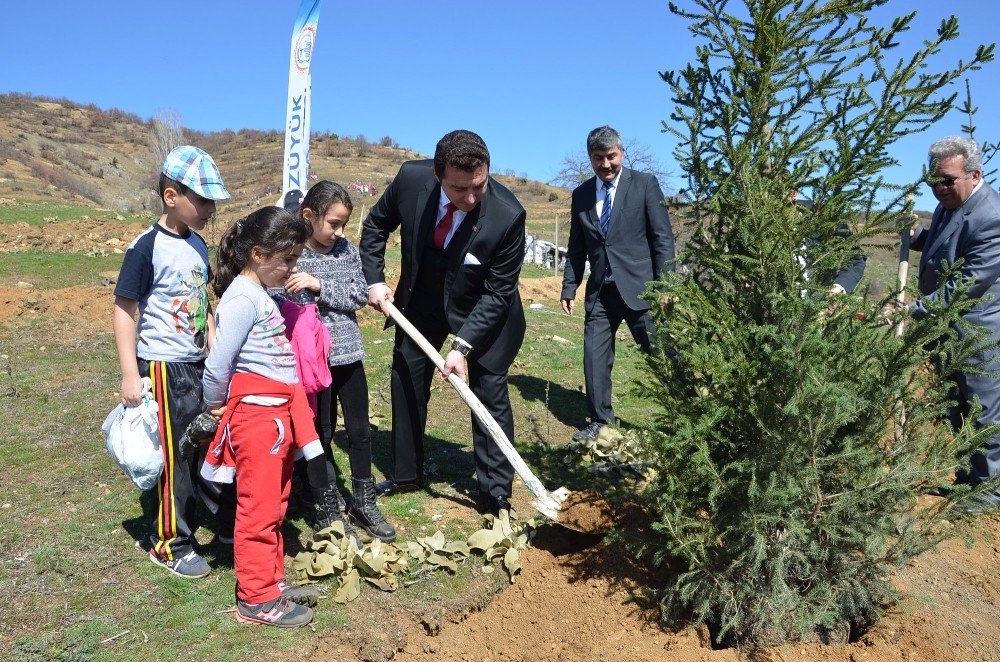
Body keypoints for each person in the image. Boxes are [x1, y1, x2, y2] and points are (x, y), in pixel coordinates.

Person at [360, 130, 526, 516]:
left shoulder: (508, 215)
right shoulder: (409, 180)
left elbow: (499, 293)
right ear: (437, 174)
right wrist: (375, 279)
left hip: (483, 308)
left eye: (479, 186)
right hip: (423, 298)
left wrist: (462, 346)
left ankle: (495, 491)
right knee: (406, 376)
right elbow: (375, 226)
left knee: (488, 391)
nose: (470, 199)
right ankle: (406, 475)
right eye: (459, 189)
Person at [199, 206, 323, 628]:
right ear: (257, 253)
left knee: (276, 503)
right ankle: (256, 599)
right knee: (257, 510)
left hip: (276, 418)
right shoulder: (241, 298)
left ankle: (272, 581)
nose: (292, 269)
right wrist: (216, 405)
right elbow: (219, 364)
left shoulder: (261, 296)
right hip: (257, 421)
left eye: (296, 260)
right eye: (287, 260)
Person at [112, 145, 229, 579]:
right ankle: (169, 542)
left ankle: (206, 518)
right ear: (170, 196)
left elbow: (205, 307)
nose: (210, 209)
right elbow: (125, 309)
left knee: (203, 443)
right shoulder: (146, 247)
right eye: (202, 200)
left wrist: (218, 354)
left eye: (212, 201)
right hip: (162, 367)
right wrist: (130, 373)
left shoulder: (198, 244)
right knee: (174, 453)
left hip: (198, 363)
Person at [284, 180, 396, 542]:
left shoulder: (346, 250)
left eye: (344, 223)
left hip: (348, 354)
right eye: (333, 223)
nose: (339, 231)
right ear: (309, 215)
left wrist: (319, 287)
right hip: (312, 363)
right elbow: (281, 299)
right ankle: (325, 503)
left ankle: (364, 501)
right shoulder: (293, 251)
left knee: (361, 431)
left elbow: (359, 294)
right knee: (321, 433)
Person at [560, 126, 675, 441]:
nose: (606, 164)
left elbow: (662, 239)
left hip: (643, 289)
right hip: (600, 292)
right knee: (594, 358)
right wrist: (570, 286)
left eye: (611, 156)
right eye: (599, 158)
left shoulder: (645, 185)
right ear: (591, 158)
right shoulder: (581, 194)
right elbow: (576, 247)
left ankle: (685, 416)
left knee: (662, 354)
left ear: (621, 153)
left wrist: (666, 286)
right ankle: (600, 421)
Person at [910, 136, 1000, 514]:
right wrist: (919, 240)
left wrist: (909, 309)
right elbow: (949, 245)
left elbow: (962, 287)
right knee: (957, 406)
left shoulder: (992, 217)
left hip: (978, 332)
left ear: (974, 174)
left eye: (947, 180)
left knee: (984, 409)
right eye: (933, 181)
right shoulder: (949, 201)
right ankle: (967, 478)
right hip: (947, 331)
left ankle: (988, 492)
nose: (939, 188)